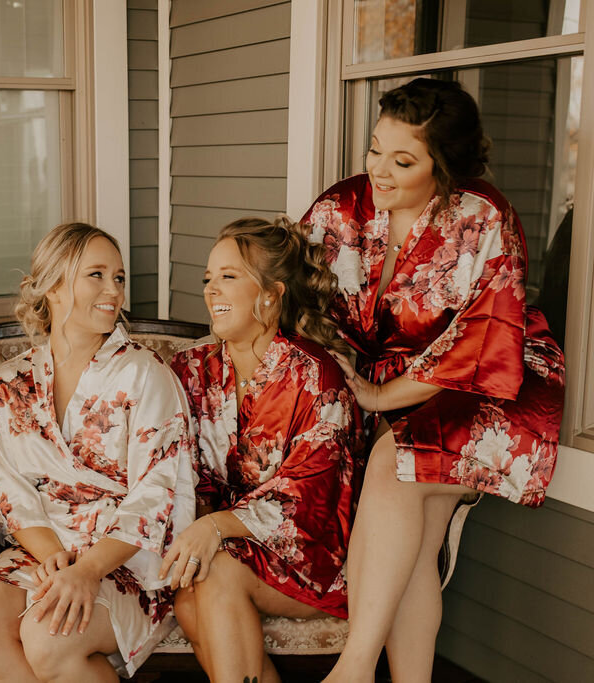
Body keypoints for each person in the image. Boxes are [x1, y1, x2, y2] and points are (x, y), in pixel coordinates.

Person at [301, 78, 566, 683]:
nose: (379, 172)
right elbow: (297, 294)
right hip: (393, 381)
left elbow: (480, 344)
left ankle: (353, 667)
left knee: (399, 464)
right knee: (416, 546)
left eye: (403, 160)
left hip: (493, 381)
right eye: (374, 149)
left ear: (444, 169)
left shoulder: (482, 219)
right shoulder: (343, 207)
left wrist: (378, 397)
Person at [0, 223, 196, 681]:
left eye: (119, 277)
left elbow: (156, 494)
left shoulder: (145, 374)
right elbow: (7, 488)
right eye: (97, 275)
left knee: (50, 637)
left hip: (123, 557)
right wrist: (56, 562)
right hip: (42, 547)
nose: (114, 290)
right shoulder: (9, 382)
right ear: (53, 286)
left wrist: (86, 571)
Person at [165, 217, 364, 683]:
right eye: (208, 278)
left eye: (228, 277)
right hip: (216, 545)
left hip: (306, 555)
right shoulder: (190, 369)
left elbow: (310, 497)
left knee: (214, 574)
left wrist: (215, 527)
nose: (212, 289)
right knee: (190, 600)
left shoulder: (315, 378)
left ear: (271, 294)